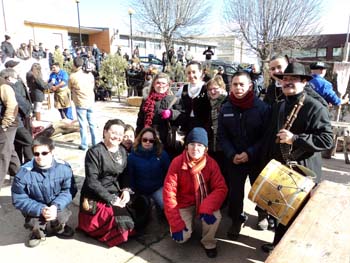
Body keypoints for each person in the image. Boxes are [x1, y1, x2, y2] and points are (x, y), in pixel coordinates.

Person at [259, 62, 333, 253]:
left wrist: (296, 139)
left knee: (297, 216)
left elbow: (327, 140)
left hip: (303, 169)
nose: (287, 82)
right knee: (281, 212)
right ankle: (278, 246)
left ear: (304, 82)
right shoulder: (280, 105)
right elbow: (270, 135)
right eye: (285, 79)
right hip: (281, 168)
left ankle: (288, 252)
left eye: (293, 79)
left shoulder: (315, 107)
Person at [217, 71, 270, 240]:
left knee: (260, 189)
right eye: (235, 84)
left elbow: (266, 136)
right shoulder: (225, 107)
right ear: (230, 86)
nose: (238, 88)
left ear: (250, 86)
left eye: (242, 84)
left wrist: (250, 153)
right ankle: (235, 219)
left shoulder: (261, 108)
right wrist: (232, 154)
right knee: (235, 192)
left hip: (256, 159)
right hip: (234, 159)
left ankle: (262, 214)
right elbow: (222, 136)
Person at [163, 127, 228, 258]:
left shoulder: (211, 164)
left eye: (200, 145)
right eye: (192, 144)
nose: (195, 148)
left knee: (215, 217)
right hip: (184, 203)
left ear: (206, 148)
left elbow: (221, 188)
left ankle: (208, 242)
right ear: (186, 146)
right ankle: (189, 224)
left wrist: (207, 206)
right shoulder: (177, 162)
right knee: (180, 238)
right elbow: (169, 193)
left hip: (204, 201)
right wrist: (176, 223)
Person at [78, 119, 135, 247]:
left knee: (136, 209)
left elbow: (125, 173)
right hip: (95, 194)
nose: (117, 137)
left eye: (120, 134)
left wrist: (126, 190)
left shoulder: (122, 151)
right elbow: (92, 181)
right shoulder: (94, 152)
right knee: (121, 223)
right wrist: (111, 199)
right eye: (113, 132)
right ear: (105, 132)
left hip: (115, 189)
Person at [11, 136, 75, 247]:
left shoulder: (64, 168)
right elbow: (19, 198)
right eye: (36, 154)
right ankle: (38, 233)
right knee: (34, 223)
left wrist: (55, 206)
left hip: (56, 204)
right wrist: (41, 209)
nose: (40, 157)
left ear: (52, 152)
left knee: (62, 216)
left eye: (44, 153)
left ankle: (59, 226)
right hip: (36, 206)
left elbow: (68, 190)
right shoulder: (24, 173)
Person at [135, 72, 182, 158]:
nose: (161, 85)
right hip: (148, 140)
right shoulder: (146, 100)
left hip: (166, 141)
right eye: (158, 83)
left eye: (163, 83)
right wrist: (137, 138)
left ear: (168, 85)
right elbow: (140, 121)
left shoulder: (174, 100)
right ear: (153, 84)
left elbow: (182, 116)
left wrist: (172, 113)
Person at [127, 127, 170, 218]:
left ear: (155, 142)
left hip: (157, 188)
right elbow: (130, 176)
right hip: (139, 190)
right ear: (140, 140)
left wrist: (167, 189)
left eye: (151, 141)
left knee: (167, 206)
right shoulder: (132, 156)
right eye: (145, 140)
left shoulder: (161, 154)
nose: (147, 142)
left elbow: (169, 173)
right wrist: (132, 193)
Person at [263, 55, 328, 108]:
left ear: (287, 67)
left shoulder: (301, 86)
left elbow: (323, 106)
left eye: (279, 67)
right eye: (272, 69)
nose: (276, 71)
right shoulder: (271, 88)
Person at [1, 68, 33, 164]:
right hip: (14, 120)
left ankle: (16, 169)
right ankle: (29, 164)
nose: (17, 79)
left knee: (15, 145)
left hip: (12, 120)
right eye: (16, 77)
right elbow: (18, 103)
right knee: (28, 141)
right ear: (9, 78)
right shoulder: (7, 86)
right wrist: (29, 112)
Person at [69, 57, 97, 151]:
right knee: (92, 124)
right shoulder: (90, 74)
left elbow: (69, 87)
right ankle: (95, 143)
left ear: (74, 65)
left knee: (83, 124)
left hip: (80, 102)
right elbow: (93, 86)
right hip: (90, 100)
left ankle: (84, 145)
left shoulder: (73, 76)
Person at [178, 61, 211, 135]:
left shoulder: (207, 88)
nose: (191, 75)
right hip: (187, 128)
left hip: (203, 127)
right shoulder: (183, 88)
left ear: (200, 72)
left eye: (194, 72)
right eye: (189, 73)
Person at [206, 76, 228, 185]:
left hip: (225, 146)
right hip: (214, 145)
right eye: (210, 90)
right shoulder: (211, 103)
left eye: (215, 88)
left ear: (222, 88)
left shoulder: (227, 102)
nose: (212, 91)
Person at [0, 75, 20, 190]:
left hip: (8, 124)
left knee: (3, 153)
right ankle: (21, 176)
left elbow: (12, 106)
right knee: (9, 151)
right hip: (4, 124)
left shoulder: (3, 86)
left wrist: (5, 124)